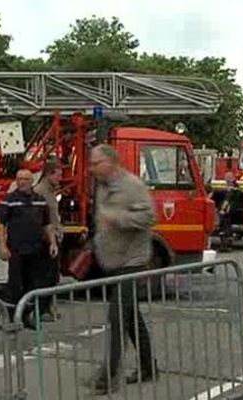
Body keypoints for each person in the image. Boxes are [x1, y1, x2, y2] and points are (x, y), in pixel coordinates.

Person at [88, 144, 158, 394]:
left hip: (132, 261)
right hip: (113, 262)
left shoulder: (133, 186)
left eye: (96, 163)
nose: (92, 168)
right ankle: (149, 367)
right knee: (130, 318)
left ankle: (107, 377)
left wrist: (117, 219)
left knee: (117, 317)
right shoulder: (103, 186)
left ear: (111, 162)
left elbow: (149, 217)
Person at [0, 169, 58, 328]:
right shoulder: (8, 201)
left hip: (36, 250)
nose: (21, 182)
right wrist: (2, 246)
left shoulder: (40, 201)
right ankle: (10, 320)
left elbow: (47, 225)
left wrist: (52, 243)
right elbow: (1, 226)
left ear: (32, 182)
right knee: (14, 286)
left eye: (25, 179)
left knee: (34, 285)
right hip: (17, 250)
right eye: (19, 179)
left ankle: (26, 317)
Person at [33, 161, 63, 322]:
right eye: (58, 175)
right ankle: (42, 310)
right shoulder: (40, 192)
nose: (60, 178)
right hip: (46, 241)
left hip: (53, 238)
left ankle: (48, 308)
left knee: (52, 276)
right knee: (45, 276)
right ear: (49, 174)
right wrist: (50, 239)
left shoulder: (50, 191)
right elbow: (42, 220)